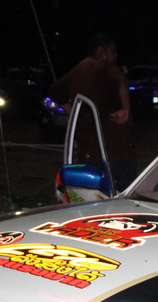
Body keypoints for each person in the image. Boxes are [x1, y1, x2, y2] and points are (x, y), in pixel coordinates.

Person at [47, 33, 136, 187]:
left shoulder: (77, 70)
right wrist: (125, 108)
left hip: (87, 149)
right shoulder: (104, 67)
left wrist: (74, 113)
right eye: (112, 51)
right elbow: (119, 80)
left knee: (93, 192)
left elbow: (54, 92)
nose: (115, 56)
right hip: (113, 149)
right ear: (101, 51)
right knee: (119, 192)